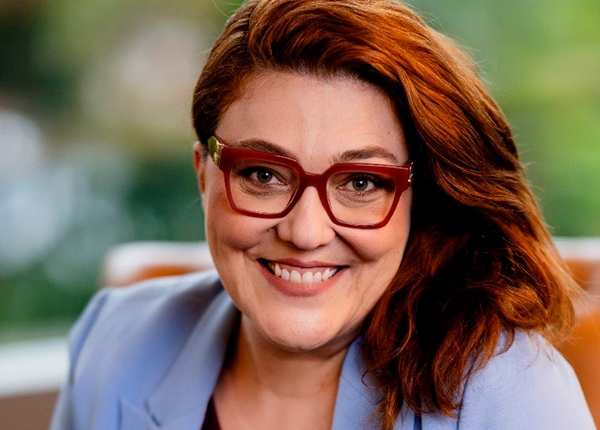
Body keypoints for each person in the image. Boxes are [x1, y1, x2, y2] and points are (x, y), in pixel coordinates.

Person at [51, 0, 595, 429]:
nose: (305, 232)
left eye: (361, 183)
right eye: (263, 175)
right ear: (203, 174)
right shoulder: (114, 340)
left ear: (418, 200)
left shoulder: (512, 396)